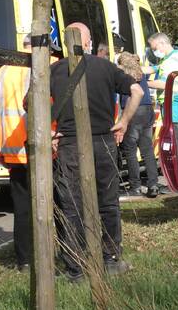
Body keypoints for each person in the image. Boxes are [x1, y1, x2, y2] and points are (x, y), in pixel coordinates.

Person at [50, 22, 143, 278]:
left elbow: (29, 103)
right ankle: (111, 259)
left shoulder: (54, 70)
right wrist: (123, 122)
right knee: (107, 202)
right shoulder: (106, 67)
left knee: (72, 206)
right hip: (103, 141)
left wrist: (50, 130)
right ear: (89, 43)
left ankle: (76, 267)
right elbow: (136, 90)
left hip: (69, 144)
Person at [0, 36, 32, 271]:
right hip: (42, 150)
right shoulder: (47, 64)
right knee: (54, 205)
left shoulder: (2, 72)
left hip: (13, 150)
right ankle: (61, 254)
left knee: (22, 209)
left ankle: (24, 260)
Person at [116, 51, 159, 198]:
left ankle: (135, 186)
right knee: (147, 149)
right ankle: (153, 184)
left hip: (132, 110)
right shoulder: (141, 72)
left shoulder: (123, 74)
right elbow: (154, 68)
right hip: (147, 110)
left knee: (130, 151)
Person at [145, 32, 178, 123]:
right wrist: (132, 69)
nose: (154, 52)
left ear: (162, 43)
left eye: (155, 49)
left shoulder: (173, 60)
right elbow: (152, 69)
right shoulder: (167, 59)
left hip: (174, 102)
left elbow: (164, 84)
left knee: (174, 133)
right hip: (169, 102)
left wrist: (143, 83)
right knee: (171, 133)